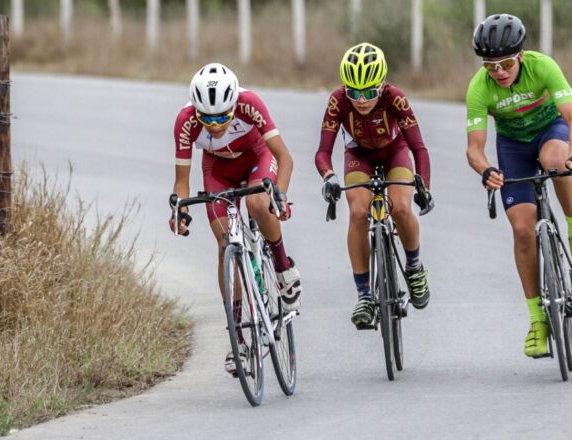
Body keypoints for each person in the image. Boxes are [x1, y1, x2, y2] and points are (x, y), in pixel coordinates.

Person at [465, 14, 572, 358]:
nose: (499, 72)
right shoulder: (479, 87)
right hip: (513, 146)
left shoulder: (543, 67)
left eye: (506, 63)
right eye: (490, 66)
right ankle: (538, 319)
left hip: (550, 130)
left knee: (557, 163)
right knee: (522, 229)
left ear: (520, 56)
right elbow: (474, 147)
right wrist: (486, 169)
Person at [169, 62, 302, 375]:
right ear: (196, 110)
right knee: (224, 243)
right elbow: (181, 181)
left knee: (258, 204)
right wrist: (180, 211)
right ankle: (238, 341)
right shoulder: (185, 121)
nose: (214, 124)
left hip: (258, 157)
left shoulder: (250, 103)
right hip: (217, 170)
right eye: (207, 117)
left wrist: (279, 196)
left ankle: (282, 268)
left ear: (233, 106)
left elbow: (284, 157)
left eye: (222, 116)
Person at [316, 43, 433, 327]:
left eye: (369, 93)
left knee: (401, 208)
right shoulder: (337, 101)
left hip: (395, 151)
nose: (362, 100)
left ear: (381, 85)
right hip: (358, 156)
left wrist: (424, 186)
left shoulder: (395, 98)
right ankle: (364, 295)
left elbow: (419, 148)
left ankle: (414, 268)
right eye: (354, 93)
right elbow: (323, 152)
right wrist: (328, 177)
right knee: (358, 212)